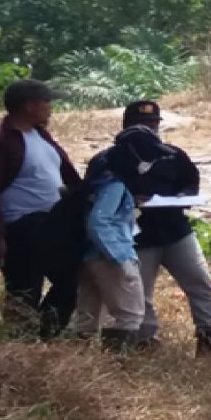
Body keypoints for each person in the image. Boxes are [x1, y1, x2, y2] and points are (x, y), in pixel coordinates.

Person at [0, 80, 82, 338]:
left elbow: (68, 176)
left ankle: (45, 335)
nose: (51, 108)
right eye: (47, 102)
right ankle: (19, 343)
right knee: (24, 291)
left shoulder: (40, 135)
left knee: (71, 279)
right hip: (21, 225)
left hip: (54, 222)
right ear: (30, 106)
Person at [120, 101, 211, 355]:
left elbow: (190, 183)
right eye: (141, 125)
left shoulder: (172, 154)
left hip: (176, 231)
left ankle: (210, 337)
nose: (148, 130)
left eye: (152, 124)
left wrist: (183, 195)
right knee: (140, 292)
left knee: (200, 283)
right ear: (127, 127)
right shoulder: (112, 158)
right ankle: (146, 342)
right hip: (137, 236)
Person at [70, 141, 145, 350]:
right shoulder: (115, 186)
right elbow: (98, 221)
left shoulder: (95, 185)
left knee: (86, 317)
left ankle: (79, 365)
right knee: (129, 316)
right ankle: (117, 369)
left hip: (88, 257)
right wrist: (119, 257)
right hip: (109, 257)